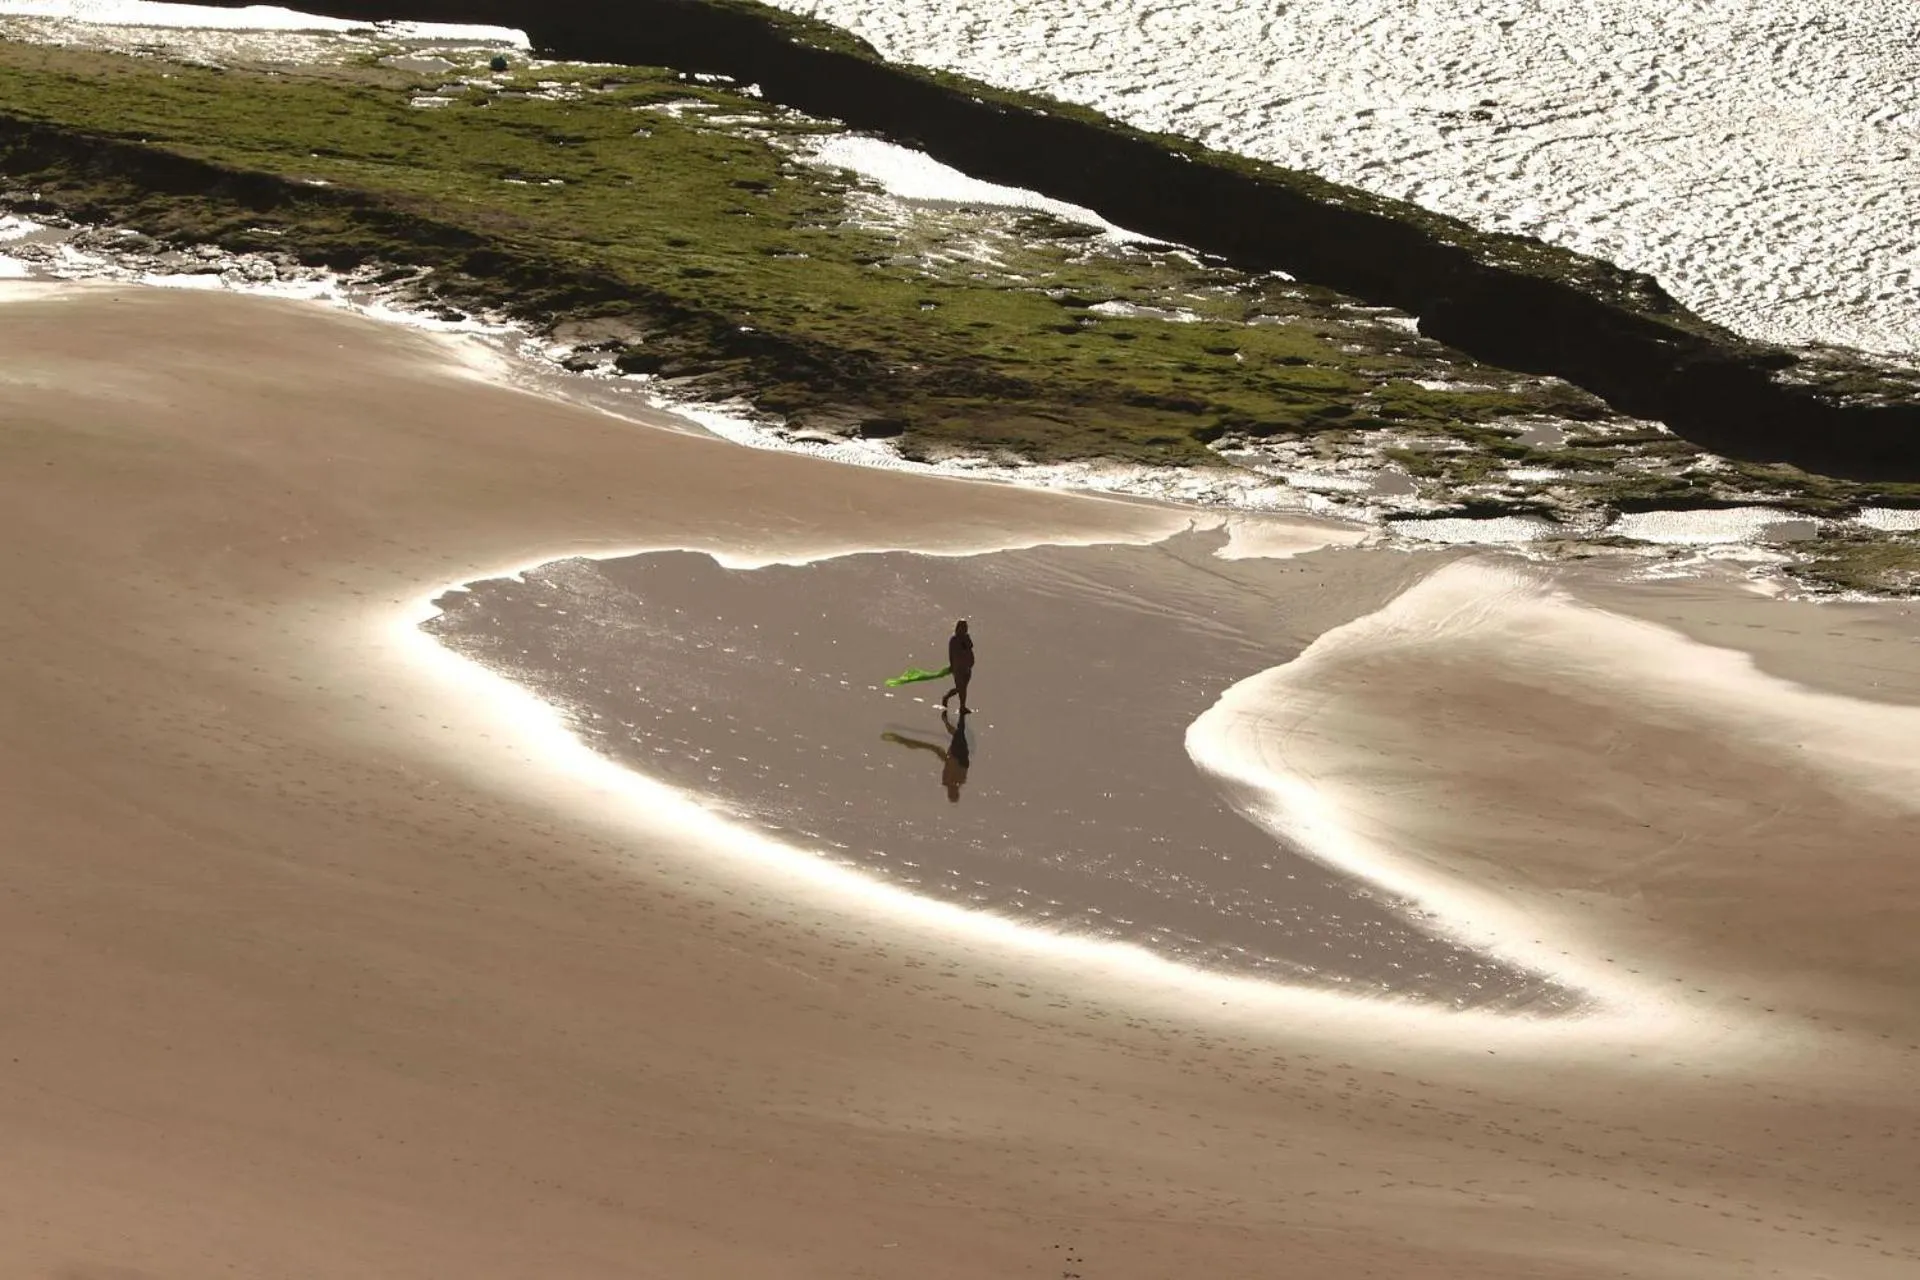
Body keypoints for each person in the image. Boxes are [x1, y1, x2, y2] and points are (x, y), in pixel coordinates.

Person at [882, 709, 971, 803]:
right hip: (955, 756)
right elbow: (960, 766)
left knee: (953, 736)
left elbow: (956, 766)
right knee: (953, 736)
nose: (951, 791)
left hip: (954, 756)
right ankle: (946, 720)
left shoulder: (950, 780)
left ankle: (946, 720)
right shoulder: (954, 780)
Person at [940, 619, 974, 714]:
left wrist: (970, 663)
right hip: (958, 668)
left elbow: (970, 650)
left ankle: (962, 706)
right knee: (960, 688)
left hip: (967, 667)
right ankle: (949, 699)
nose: (965, 629)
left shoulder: (967, 638)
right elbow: (951, 654)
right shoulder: (954, 640)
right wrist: (952, 665)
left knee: (963, 688)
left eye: (965, 627)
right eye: (963, 627)